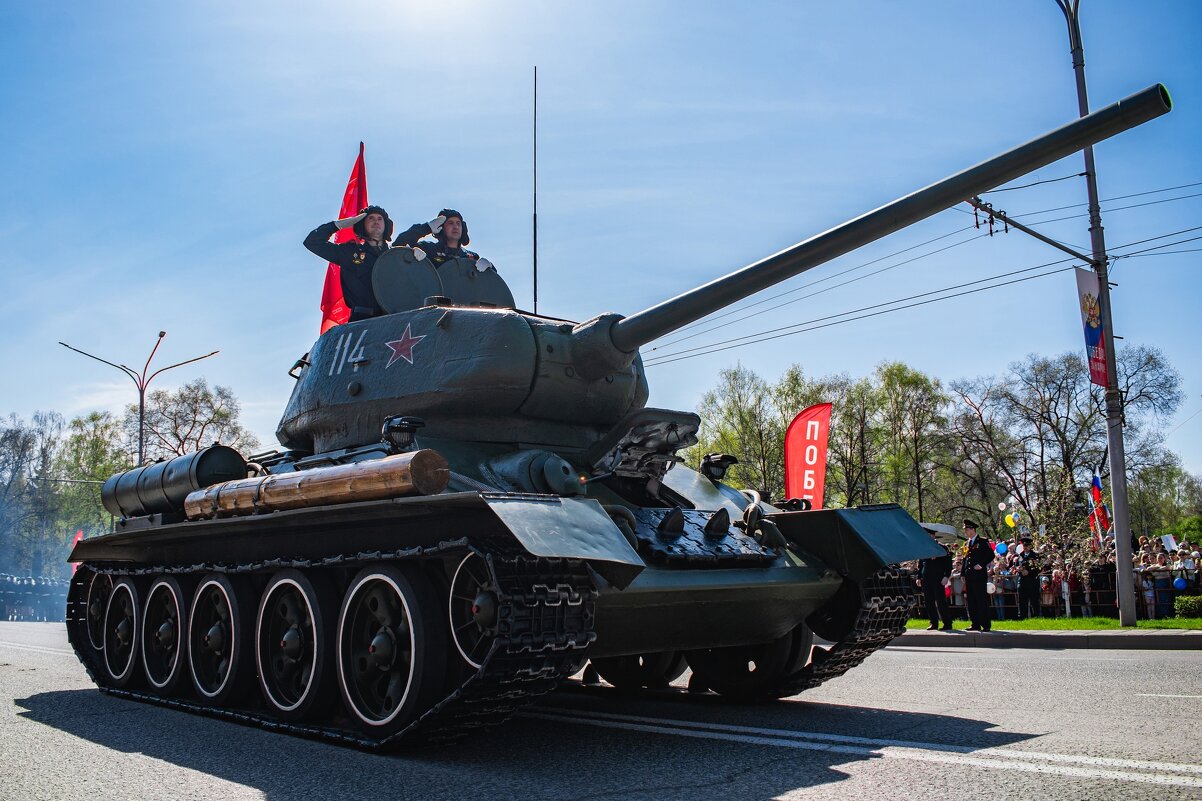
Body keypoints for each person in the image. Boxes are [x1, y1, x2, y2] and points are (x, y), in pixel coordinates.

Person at [304, 206, 394, 321]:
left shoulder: (395, 255)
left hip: (392, 319)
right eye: (370, 218)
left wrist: (414, 258)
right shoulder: (350, 252)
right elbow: (312, 242)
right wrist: (337, 225)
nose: (376, 221)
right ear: (362, 225)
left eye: (380, 218)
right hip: (361, 321)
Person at [395, 209, 490, 267]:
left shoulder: (471, 257)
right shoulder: (429, 250)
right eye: (450, 223)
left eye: (458, 223)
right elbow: (398, 246)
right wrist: (427, 228)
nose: (455, 227)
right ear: (442, 227)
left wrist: (490, 266)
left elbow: (492, 282)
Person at [962, 519, 994, 632]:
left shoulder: (982, 541)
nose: (965, 531)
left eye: (967, 529)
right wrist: (962, 573)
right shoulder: (967, 543)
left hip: (979, 576)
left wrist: (981, 564)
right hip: (969, 575)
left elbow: (991, 555)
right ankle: (975, 623)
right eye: (965, 529)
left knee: (981, 600)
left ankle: (985, 624)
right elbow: (965, 559)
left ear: (972, 529)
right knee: (971, 601)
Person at [916, 542, 954, 630]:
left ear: (932, 535)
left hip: (938, 579)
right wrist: (919, 577)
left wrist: (946, 576)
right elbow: (921, 564)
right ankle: (933, 623)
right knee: (929, 602)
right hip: (926, 579)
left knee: (941, 602)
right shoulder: (924, 547)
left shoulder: (941, 547)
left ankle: (947, 623)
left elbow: (948, 564)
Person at [1014, 534, 1042, 619]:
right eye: (1023, 545)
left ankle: (1036, 617)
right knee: (1022, 601)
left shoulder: (1035, 555)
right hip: (1022, 581)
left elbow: (1039, 568)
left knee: (1034, 601)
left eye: (1026, 545)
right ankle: (1023, 617)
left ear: (1030, 546)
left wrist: (1029, 572)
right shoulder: (1020, 555)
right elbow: (1016, 565)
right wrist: (1017, 569)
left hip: (1032, 581)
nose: (1025, 547)